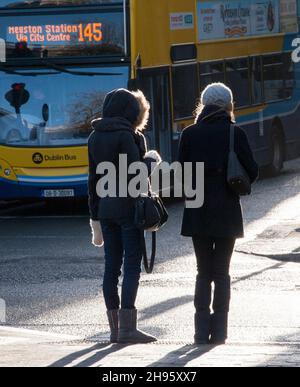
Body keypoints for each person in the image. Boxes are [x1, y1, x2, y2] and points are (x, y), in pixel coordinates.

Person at [178, 83, 259, 345]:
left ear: (203, 104)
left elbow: (181, 173)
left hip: (197, 209)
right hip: (227, 210)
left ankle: (200, 332)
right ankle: (220, 332)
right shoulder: (235, 134)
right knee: (222, 272)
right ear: (228, 105)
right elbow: (253, 172)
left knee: (203, 271)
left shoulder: (189, 134)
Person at [88, 88, 161, 344]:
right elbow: (136, 173)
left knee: (111, 268)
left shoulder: (94, 137)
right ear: (129, 111)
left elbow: (93, 180)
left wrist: (94, 216)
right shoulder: (128, 136)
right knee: (131, 266)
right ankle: (128, 329)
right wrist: (151, 160)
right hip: (129, 208)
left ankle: (115, 329)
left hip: (106, 210)